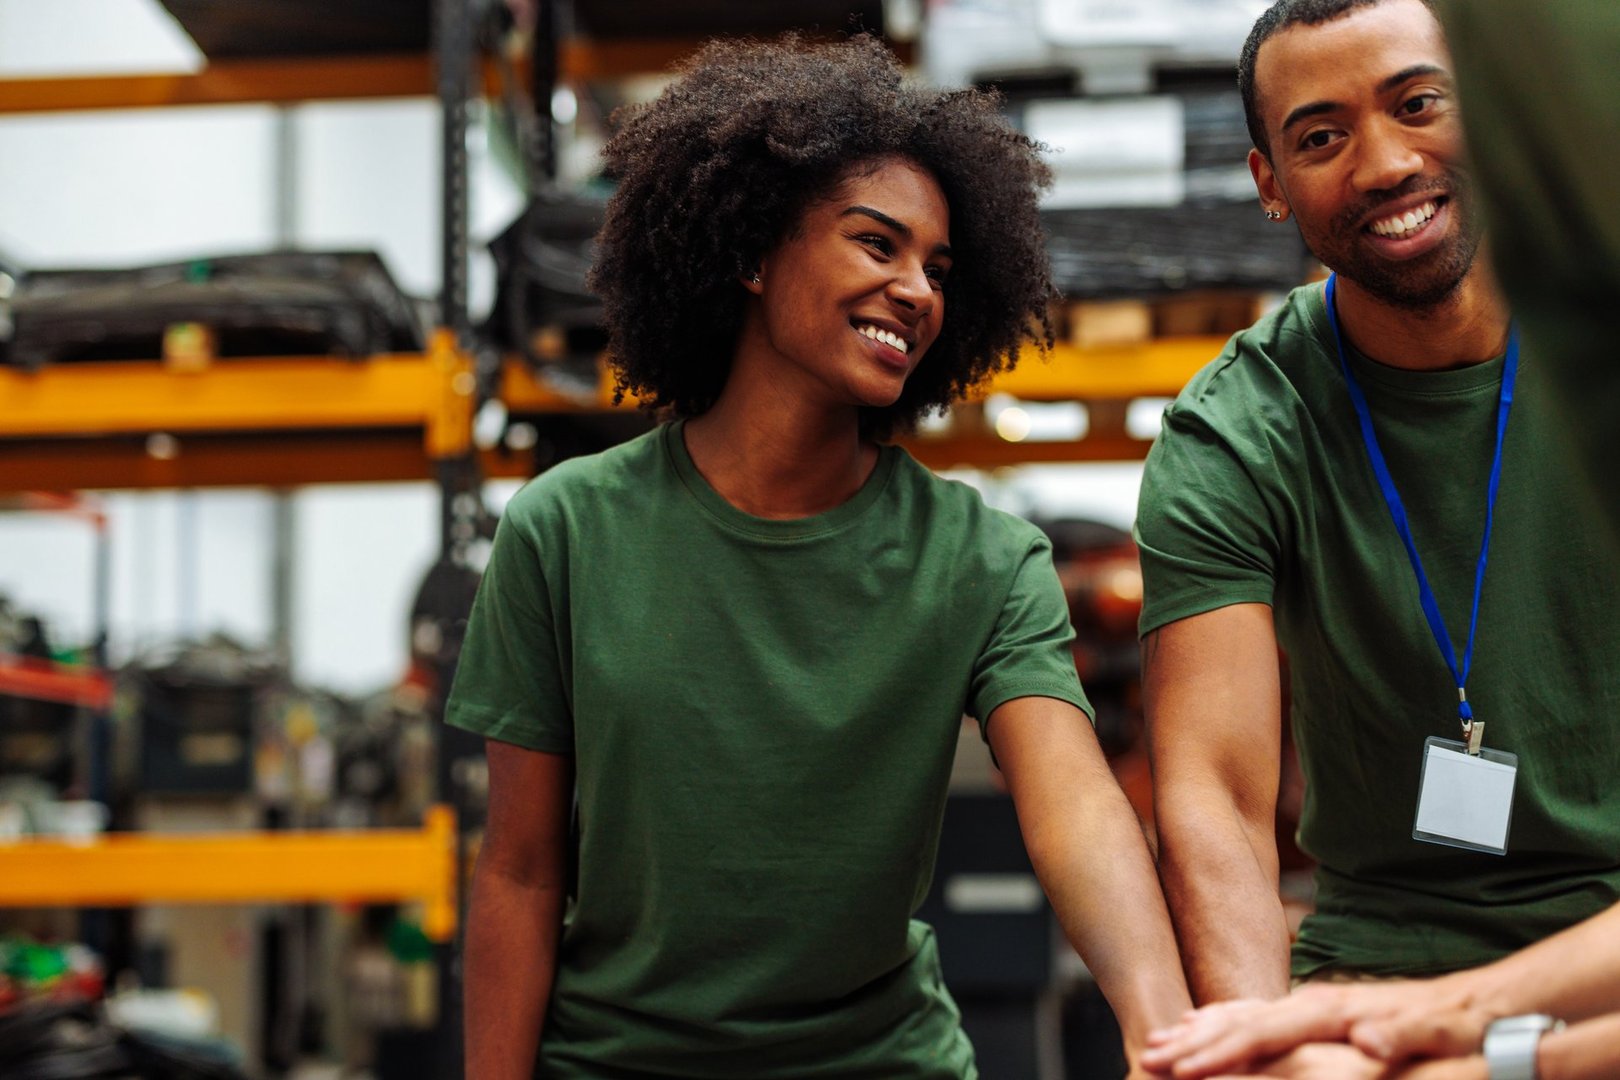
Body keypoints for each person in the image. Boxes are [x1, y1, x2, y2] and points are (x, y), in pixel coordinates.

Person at [447, 34, 1190, 1080]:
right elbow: (521, 871)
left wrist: (1164, 1033)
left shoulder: (981, 558)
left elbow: (1072, 809)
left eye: (938, 268)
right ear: (750, 250)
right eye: (875, 244)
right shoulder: (566, 530)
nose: (917, 290)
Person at [1133, 1, 1620, 1077]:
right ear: (1270, 184)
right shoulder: (1236, 429)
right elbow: (1212, 793)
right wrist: (1256, 1036)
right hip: (1381, 965)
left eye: (1419, 105)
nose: (1385, 162)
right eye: (1322, 136)